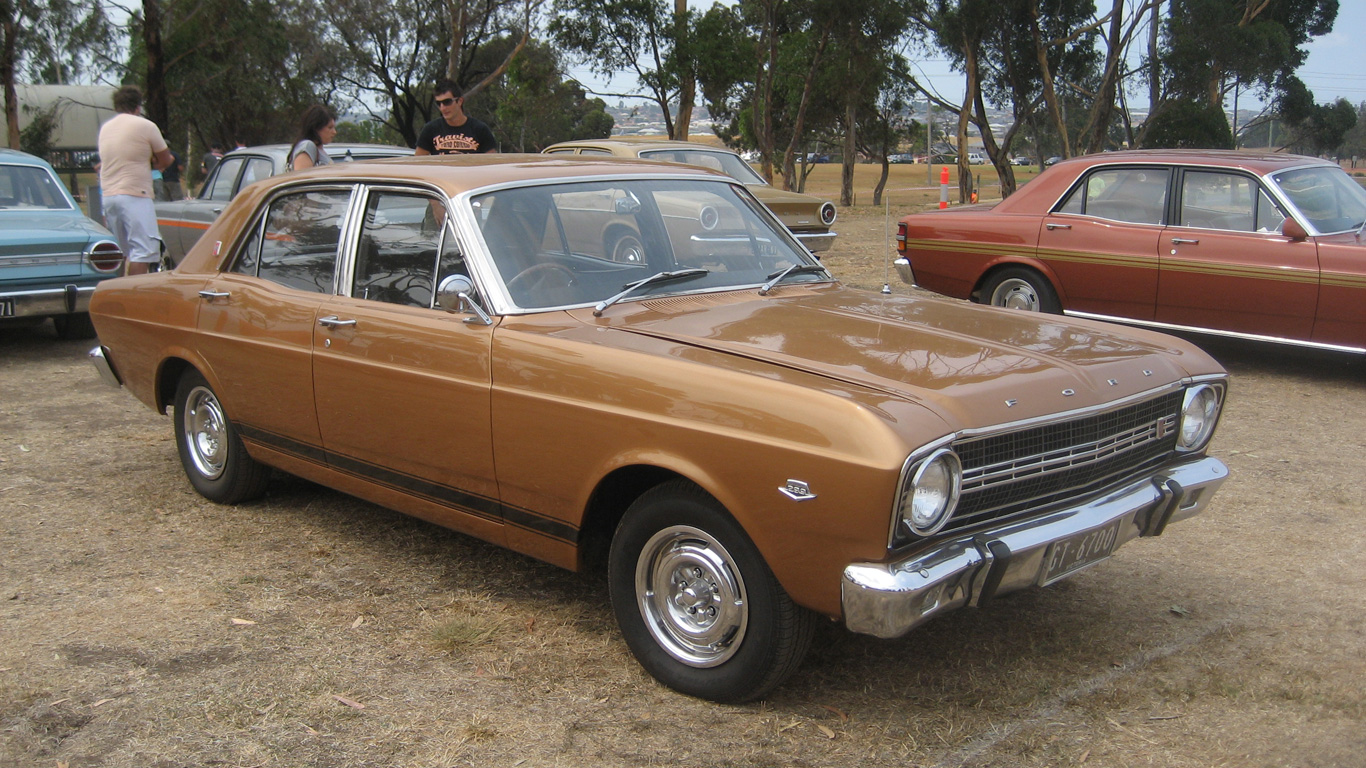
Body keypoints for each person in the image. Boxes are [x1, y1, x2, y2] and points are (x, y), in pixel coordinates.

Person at [97, 85, 172, 276]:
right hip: (135, 193)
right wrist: (152, 163)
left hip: (109, 195)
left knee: (122, 251)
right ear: (138, 106)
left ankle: (119, 293)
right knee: (143, 251)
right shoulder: (145, 125)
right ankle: (136, 296)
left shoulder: (106, 128)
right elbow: (165, 159)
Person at [415, 79, 497, 155]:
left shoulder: (480, 129)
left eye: (447, 102)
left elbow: (492, 163)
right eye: (439, 103)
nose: (443, 108)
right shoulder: (430, 129)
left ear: (460, 101)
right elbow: (418, 163)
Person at [289, 104, 337, 171]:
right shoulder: (307, 146)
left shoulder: (319, 149)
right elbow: (302, 178)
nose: (334, 132)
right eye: (330, 127)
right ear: (316, 128)